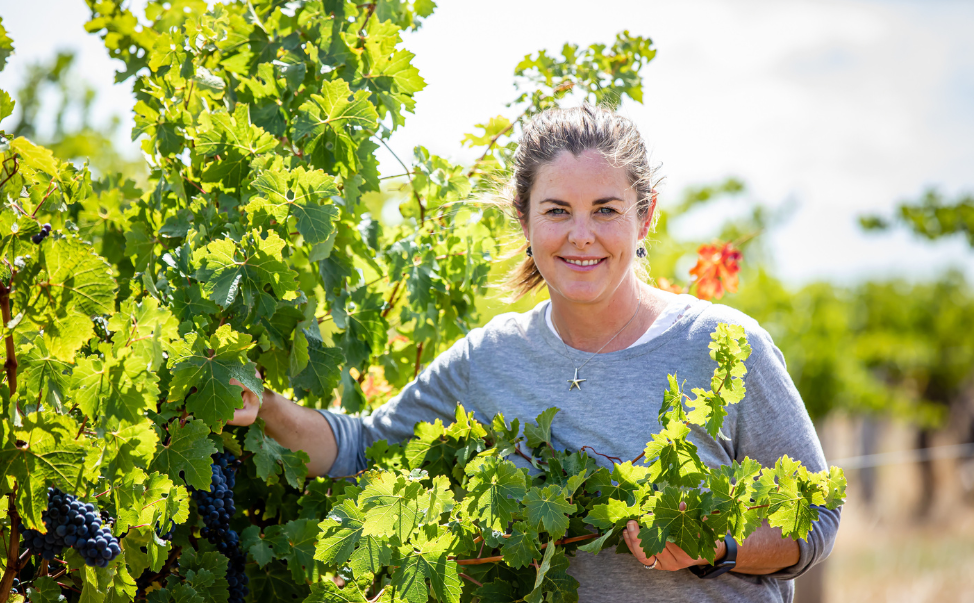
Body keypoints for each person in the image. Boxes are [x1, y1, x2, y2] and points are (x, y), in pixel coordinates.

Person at [228, 104, 840, 602]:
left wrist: (718, 546)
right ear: (522, 218)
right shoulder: (490, 360)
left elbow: (816, 518)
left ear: (645, 216)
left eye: (606, 210)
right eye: (556, 211)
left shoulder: (722, 346)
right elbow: (360, 446)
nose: (581, 235)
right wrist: (270, 408)